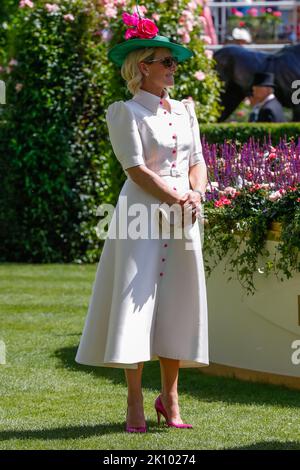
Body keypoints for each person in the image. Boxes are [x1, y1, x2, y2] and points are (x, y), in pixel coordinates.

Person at [75, 9, 209, 433]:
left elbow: (198, 161)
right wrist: (174, 196)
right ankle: (134, 400)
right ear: (142, 66)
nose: (174, 68)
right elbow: (135, 169)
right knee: (135, 304)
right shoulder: (125, 112)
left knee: (177, 301)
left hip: (184, 214)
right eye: (165, 61)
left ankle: (170, 397)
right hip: (141, 215)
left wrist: (196, 193)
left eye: (174, 62)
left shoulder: (187, 110)